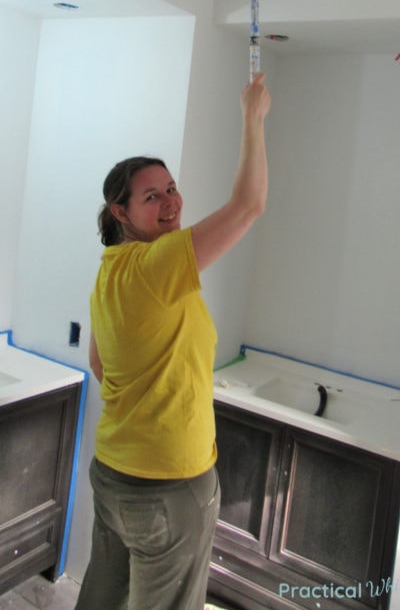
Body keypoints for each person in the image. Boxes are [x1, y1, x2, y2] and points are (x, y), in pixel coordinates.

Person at [75, 73, 271, 610]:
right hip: (168, 485)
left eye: (171, 188)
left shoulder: (112, 268)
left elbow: (98, 360)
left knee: (103, 599)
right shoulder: (157, 264)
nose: (170, 202)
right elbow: (248, 206)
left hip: (115, 472)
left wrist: (147, 395)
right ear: (121, 212)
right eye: (151, 196)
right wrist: (253, 119)